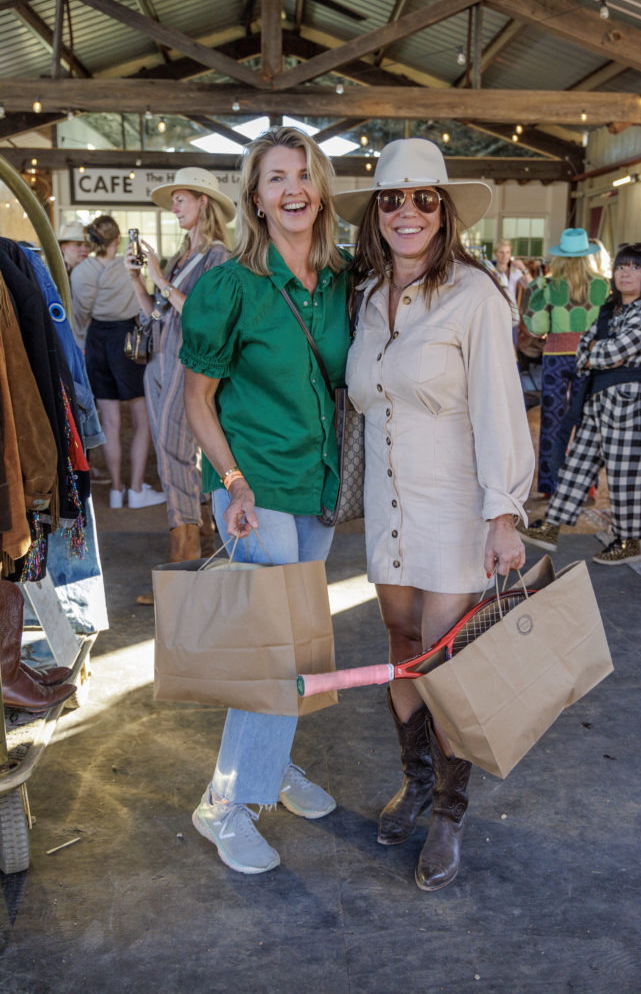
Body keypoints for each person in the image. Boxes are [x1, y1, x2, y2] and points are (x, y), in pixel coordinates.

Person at [335, 138, 535, 892]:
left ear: (443, 211)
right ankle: (415, 781)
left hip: (455, 505)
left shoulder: (475, 296)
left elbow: (498, 408)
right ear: (376, 214)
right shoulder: (364, 299)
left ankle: (449, 811)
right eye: (392, 198)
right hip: (389, 507)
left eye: (423, 198)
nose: (407, 210)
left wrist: (503, 513)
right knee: (399, 644)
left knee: (444, 662)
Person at [180, 127, 350, 875]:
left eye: (304, 174)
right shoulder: (229, 285)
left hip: (315, 487)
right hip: (251, 487)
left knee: (300, 641)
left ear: (321, 189)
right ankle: (224, 802)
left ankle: (270, 763)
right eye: (276, 176)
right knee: (272, 648)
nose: (293, 188)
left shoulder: (341, 280)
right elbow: (196, 400)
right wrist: (234, 482)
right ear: (255, 195)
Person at [518, 242, 641, 566]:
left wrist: (597, 353)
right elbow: (586, 350)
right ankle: (552, 525)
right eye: (622, 266)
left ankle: (628, 540)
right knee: (578, 463)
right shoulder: (609, 309)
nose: (625, 273)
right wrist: (597, 354)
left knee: (625, 473)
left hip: (632, 401)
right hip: (598, 397)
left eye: (634, 267)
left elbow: (610, 352)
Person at [125, 168, 233, 575]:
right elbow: (159, 314)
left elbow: (205, 318)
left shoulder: (218, 257)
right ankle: (199, 542)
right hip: (159, 363)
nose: (174, 207)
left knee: (176, 457)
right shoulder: (183, 255)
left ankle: (184, 562)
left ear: (204, 202)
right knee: (173, 455)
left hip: (186, 368)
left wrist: (158, 279)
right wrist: (139, 281)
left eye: (181, 199)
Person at [71, 215, 165, 510]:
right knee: (141, 420)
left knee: (109, 423)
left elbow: (80, 316)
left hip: (96, 340)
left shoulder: (81, 271)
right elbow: (146, 308)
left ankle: (116, 490)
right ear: (117, 240)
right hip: (127, 341)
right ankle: (137, 491)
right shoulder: (129, 269)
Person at [524, 228, 610, 496]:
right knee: (589, 423)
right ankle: (588, 487)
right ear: (587, 255)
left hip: (556, 358)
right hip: (591, 358)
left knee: (552, 422)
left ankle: (551, 485)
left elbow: (537, 328)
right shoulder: (604, 285)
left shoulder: (548, 286)